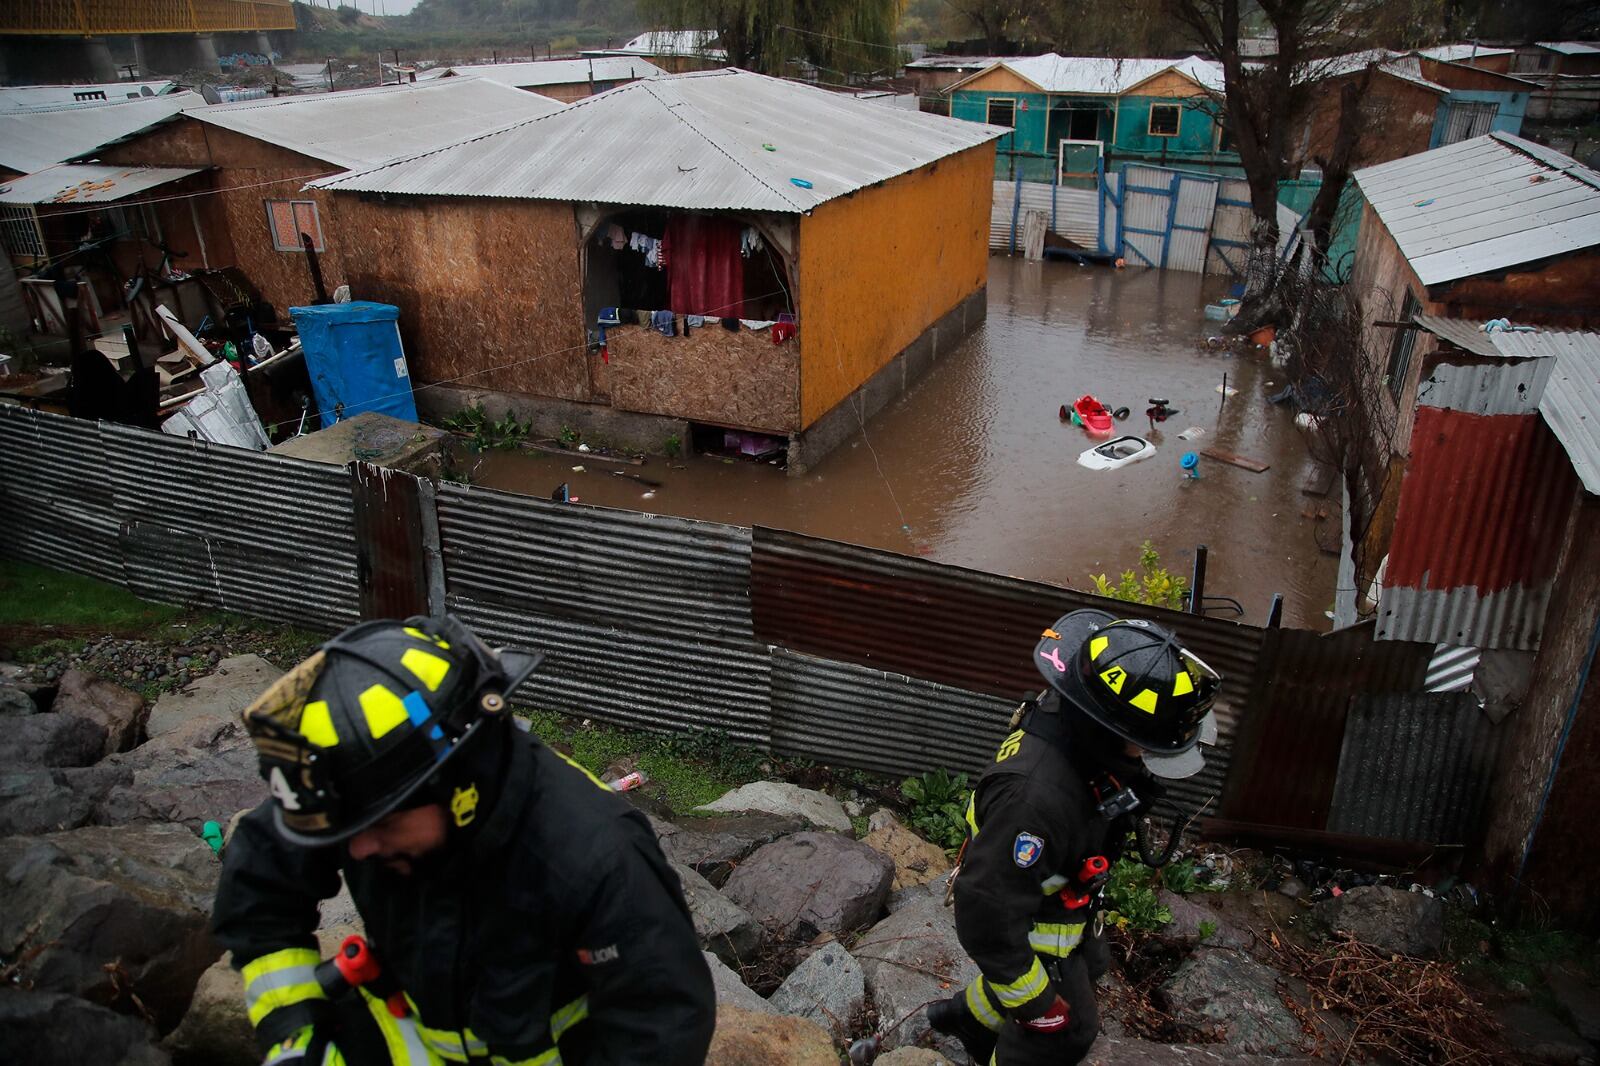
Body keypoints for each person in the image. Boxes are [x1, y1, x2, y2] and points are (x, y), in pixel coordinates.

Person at [213, 615, 716, 1066]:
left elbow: (660, 1028)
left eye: (381, 826)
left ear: (459, 787)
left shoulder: (594, 856)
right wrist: (293, 1028)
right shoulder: (361, 801)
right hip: (403, 1036)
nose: (358, 849)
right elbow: (263, 875)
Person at [927, 610, 1221, 1066]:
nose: (1145, 758)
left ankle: (968, 1019)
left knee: (1092, 962)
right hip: (1027, 909)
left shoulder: (1071, 713)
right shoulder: (1035, 802)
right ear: (1107, 730)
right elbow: (987, 910)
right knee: (1067, 1031)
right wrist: (1039, 1008)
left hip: (1052, 884)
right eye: (1141, 746)